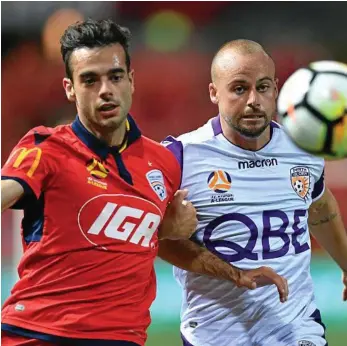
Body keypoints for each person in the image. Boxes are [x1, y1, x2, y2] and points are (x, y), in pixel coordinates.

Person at [1, 21, 288, 346]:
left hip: (124, 338)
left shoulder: (162, 162)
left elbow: (161, 243)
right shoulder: (47, 148)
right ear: (70, 88)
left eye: (115, 76)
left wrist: (235, 273)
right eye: (90, 80)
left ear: (131, 80)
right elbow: (7, 190)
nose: (105, 90)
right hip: (39, 334)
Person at [159, 39, 347, 346]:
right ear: (213, 93)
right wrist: (167, 230)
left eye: (262, 87)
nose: (253, 101)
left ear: (275, 89)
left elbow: (320, 208)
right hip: (215, 334)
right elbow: (150, 238)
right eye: (238, 88)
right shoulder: (180, 157)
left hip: (297, 327)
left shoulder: (303, 149)